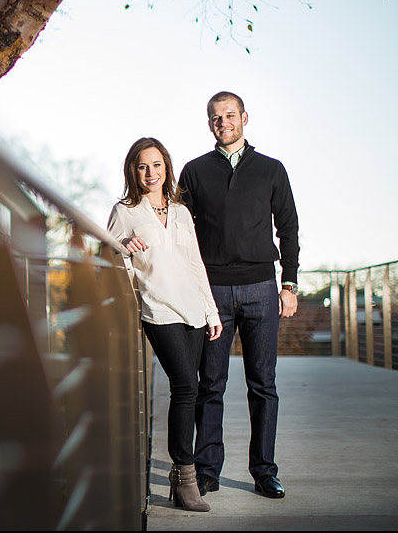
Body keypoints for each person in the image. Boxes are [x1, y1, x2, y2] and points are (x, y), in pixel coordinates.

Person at [178, 91, 299, 500]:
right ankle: (207, 470)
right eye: (215, 117)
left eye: (229, 115)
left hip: (262, 288)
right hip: (211, 292)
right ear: (208, 122)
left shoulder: (271, 170)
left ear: (244, 117)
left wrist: (289, 284)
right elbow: (177, 228)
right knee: (210, 383)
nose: (222, 122)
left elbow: (289, 228)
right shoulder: (194, 172)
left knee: (263, 384)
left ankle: (264, 471)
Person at [108, 137, 223, 512]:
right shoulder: (125, 211)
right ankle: (186, 476)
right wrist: (123, 244)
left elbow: (196, 265)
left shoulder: (181, 212)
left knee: (190, 389)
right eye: (143, 166)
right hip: (158, 309)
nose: (150, 173)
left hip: (192, 307)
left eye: (156, 165)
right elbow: (105, 250)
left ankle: (179, 475)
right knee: (186, 384)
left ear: (166, 168)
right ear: (133, 171)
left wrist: (211, 312)